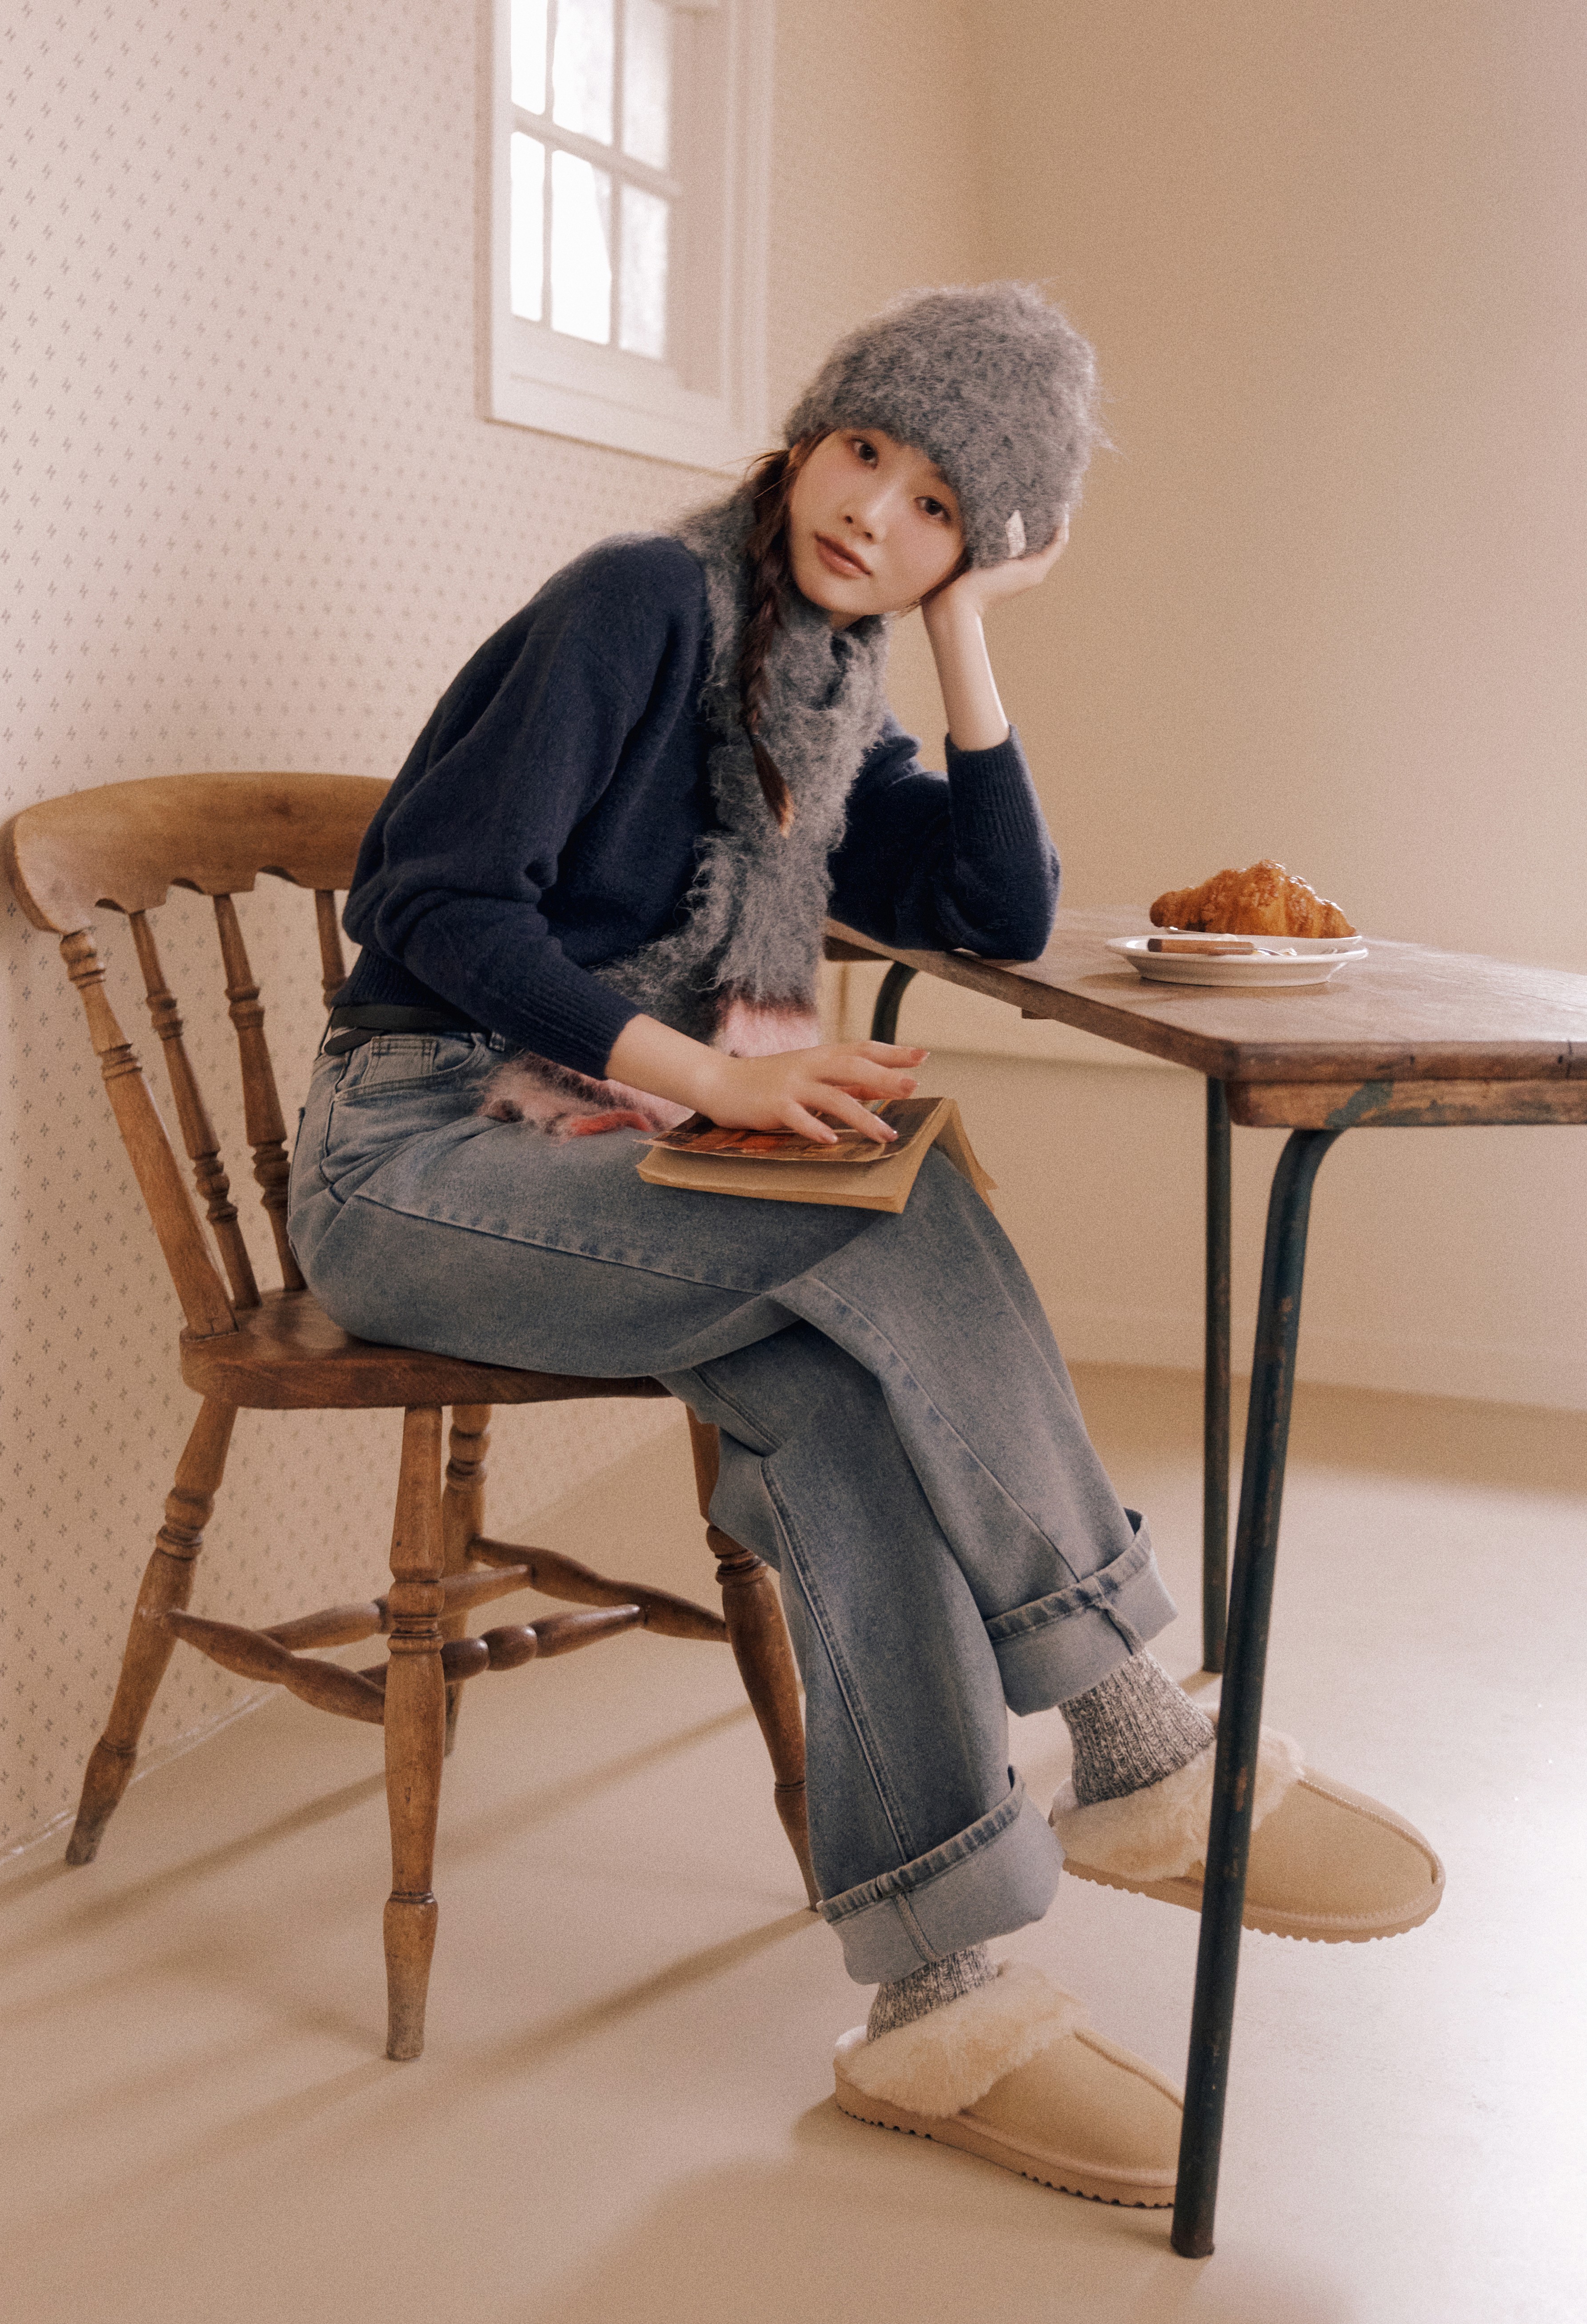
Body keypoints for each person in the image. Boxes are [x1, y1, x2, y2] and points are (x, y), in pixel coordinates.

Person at [287, 285, 1441, 2207]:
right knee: (896, 1213)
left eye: (936, 509)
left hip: (598, 1155)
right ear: (812, 434)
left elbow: (995, 902)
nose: (874, 512)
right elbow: (430, 899)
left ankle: (939, 2004)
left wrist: (963, 630)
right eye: (866, 451)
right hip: (412, 1156)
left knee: (836, 1391)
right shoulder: (641, 604)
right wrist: (707, 1078)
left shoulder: (825, 702)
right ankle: (1136, 1734)